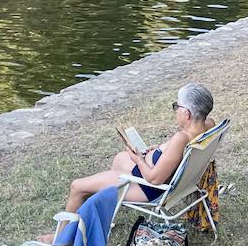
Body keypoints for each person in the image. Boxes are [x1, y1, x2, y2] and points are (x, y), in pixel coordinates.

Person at [61, 84, 215, 212]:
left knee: (77, 186)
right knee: (120, 158)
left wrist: (139, 160)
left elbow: (154, 179)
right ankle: (105, 210)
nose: (175, 111)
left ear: (187, 114)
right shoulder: (209, 125)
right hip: (162, 178)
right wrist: (162, 148)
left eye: (177, 107)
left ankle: (61, 238)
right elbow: (177, 150)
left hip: (147, 187)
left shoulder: (181, 139)